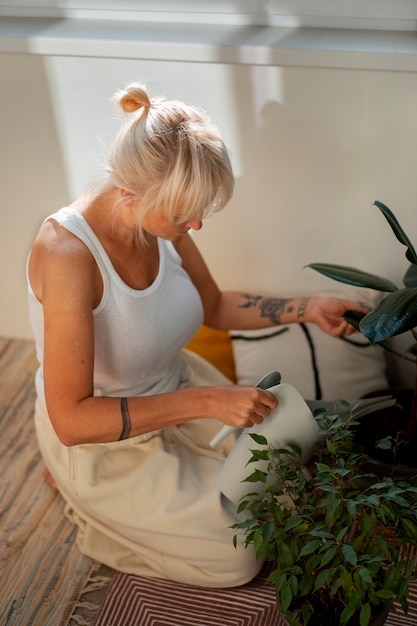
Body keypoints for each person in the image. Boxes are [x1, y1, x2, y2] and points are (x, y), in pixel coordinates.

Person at [27, 82, 368, 588]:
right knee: (239, 557)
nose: (197, 225)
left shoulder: (162, 223)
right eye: (186, 213)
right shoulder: (67, 257)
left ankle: (172, 488)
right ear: (130, 193)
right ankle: (85, 503)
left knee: (295, 494)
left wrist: (308, 308)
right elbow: (73, 420)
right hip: (108, 443)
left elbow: (214, 305)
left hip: (183, 394)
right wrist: (209, 401)